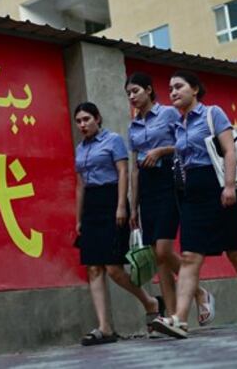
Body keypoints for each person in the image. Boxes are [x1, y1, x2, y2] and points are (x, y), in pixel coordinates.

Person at [152, 71, 237, 339]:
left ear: (195, 89)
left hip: (218, 185)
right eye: (170, 88)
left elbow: (228, 150)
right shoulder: (178, 125)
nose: (173, 92)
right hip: (192, 191)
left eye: (179, 86)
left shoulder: (212, 113)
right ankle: (180, 319)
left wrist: (228, 186)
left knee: (236, 251)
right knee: (191, 255)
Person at [125, 72, 215, 329]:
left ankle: (199, 292)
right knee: (157, 257)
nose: (132, 97)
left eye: (136, 91)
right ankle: (173, 318)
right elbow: (134, 167)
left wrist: (161, 150)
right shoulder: (133, 125)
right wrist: (134, 204)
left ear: (149, 90)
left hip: (169, 180)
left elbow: (186, 143)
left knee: (164, 249)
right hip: (147, 185)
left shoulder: (168, 114)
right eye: (129, 93)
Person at [73, 102, 163, 346]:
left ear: (98, 118)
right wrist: (79, 218)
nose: (83, 125)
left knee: (113, 267)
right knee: (93, 268)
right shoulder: (80, 149)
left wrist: (122, 206)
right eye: (79, 121)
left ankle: (150, 302)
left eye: (86, 119)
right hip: (91, 204)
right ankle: (104, 327)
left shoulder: (112, 140)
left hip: (112, 198)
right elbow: (80, 185)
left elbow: (123, 172)